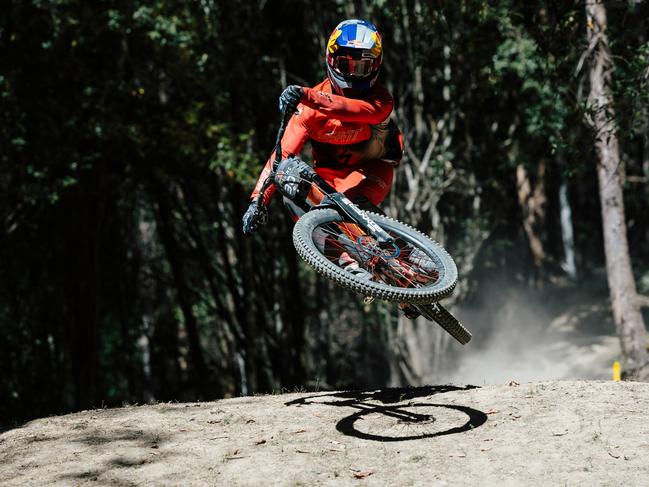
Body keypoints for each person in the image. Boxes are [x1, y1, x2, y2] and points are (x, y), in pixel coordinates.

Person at [242, 18, 402, 234]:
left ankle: (409, 258)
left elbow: (351, 109)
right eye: (346, 65)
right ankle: (348, 263)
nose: (354, 74)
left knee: (357, 211)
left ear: (376, 65)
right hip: (329, 183)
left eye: (363, 67)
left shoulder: (380, 100)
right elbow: (280, 156)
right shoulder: (308, 111)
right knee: (291, 194)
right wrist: (257, 201)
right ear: (331, 61)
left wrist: (306, 95)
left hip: (373, 171)